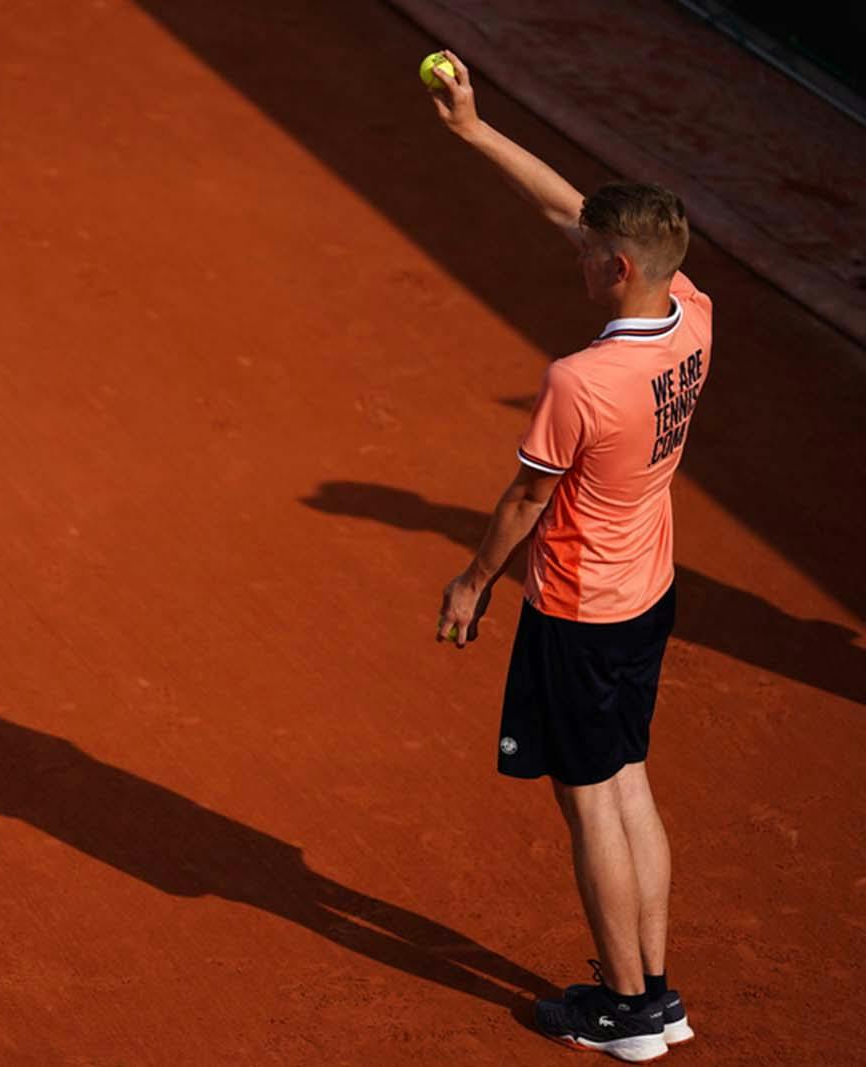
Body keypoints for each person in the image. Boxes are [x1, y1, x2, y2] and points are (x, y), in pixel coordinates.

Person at [425, 50, 712, 1063]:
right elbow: (584, 213)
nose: (576, 258)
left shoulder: (582, 380)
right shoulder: (694, 313)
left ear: (618, 270)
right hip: (648, 598)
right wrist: (472, 129)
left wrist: (470, 581)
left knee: (589, 797)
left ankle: (624, 1010)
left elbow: (522, 498)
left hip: (580, 608)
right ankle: (653, 993)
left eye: (590, 255)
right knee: (629, 778)